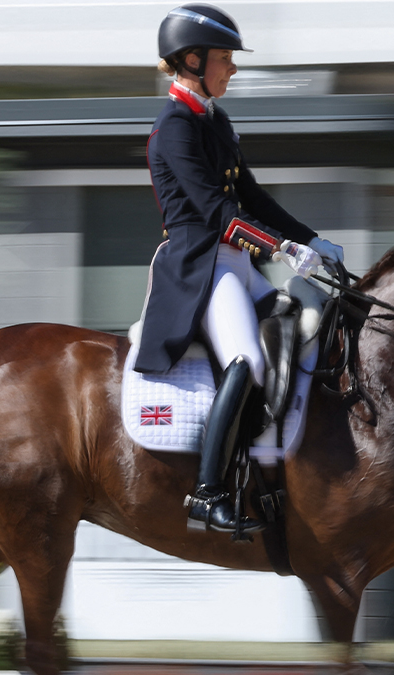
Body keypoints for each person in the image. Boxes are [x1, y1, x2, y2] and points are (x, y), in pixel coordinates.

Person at [136, 3, 344, 533]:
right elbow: (216, 214)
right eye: (224, 58)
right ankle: (207, 494)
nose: (232, 68)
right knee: (248, 360)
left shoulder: (216, 121)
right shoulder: (174, 127)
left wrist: (309, 237)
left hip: (235, 264)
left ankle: (271, 460)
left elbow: (251, 196)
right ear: (190, 60)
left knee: (304, 327)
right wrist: (283, 250)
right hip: (200, 266)